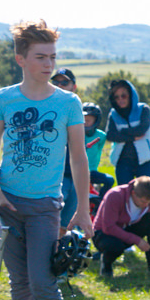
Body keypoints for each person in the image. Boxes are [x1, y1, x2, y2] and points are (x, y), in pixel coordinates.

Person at [0, 19, 94, 300]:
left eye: (53, 57)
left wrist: (82, 211)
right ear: (21, 59)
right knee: (20, 284)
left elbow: (79, 158)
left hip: (47, 205)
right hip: (10, 204)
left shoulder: (67, 103)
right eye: (41, 57)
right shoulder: (3, 99)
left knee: (43, 283)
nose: (49, 65)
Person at [92, 176, 150, 277]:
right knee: (114, 245)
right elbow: (108, 227)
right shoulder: (115, 195)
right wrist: (137, 240)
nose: (146, 205)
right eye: (143, 201)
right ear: (133, 193)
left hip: (126, 230)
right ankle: (106, 264)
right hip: (103, 234)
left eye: (148, 202)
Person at [106, 79, 150, 185]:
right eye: (116, 97)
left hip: (144, 160)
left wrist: (122, 132)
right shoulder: (113, 114)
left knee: (148, 194)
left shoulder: (144, 109)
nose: (120, 99)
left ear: (131, 95)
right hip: (122, 161)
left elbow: (142, 129)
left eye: (124, 96)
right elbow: (110, 135)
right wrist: (132, 137)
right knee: (124, 195)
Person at [50, 69, 81, 233]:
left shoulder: (76, 110)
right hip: (56, 175)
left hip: (75, 175)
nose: (60, 86)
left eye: (64, 82)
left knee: (66, 226)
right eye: (56, 82)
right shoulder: (46, 109)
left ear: (74, 86)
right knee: (51, 222)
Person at [82, 102, 114, 199]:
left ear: (96, 120)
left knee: (109, 180)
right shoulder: (76, 134)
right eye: (84, 119)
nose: (86, 122)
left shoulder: (101, 136)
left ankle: (99, 201)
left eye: (89, 120)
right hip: (77, 171)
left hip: (92, 171)